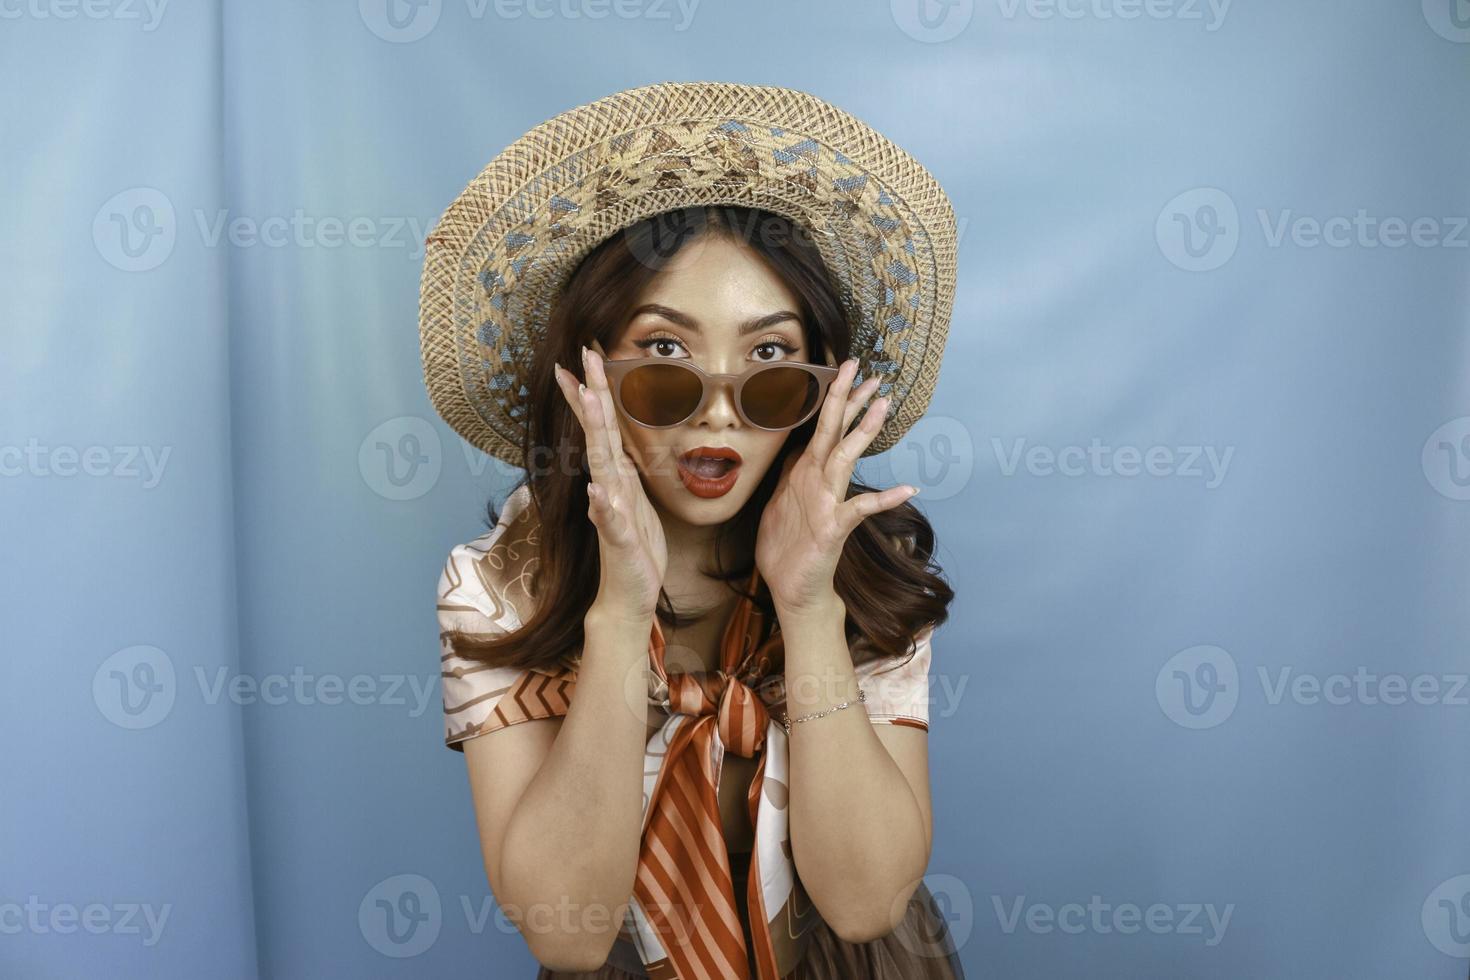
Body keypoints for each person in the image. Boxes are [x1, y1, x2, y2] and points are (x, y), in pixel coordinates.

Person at [424, 83, 962, 979]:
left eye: (770, 361)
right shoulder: (498, 586)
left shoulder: (866, 561)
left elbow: (867, 902)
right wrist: (619, 610)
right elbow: (567, 932)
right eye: (666, 356)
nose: (717, 414)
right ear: (586, 370)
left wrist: (811, 606)